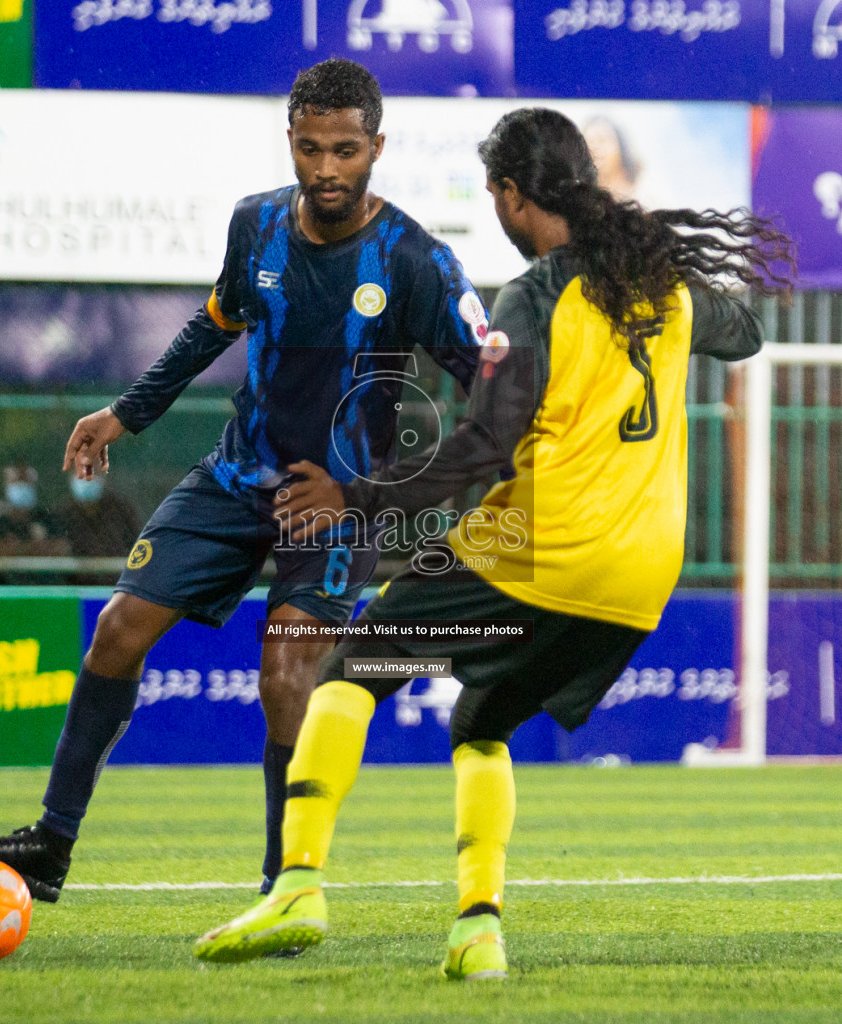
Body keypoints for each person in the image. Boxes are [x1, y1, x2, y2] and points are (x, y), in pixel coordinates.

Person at [194, 108, 793, 977]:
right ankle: (478, 929)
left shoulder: (540, 291)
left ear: (514, 196)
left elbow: (484, 445)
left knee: (351, 667)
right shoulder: (660, 287)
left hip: (547, 542)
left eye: (496, 198)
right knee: (482, 721)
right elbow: (746, 331)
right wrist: (660, 260)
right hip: (639, 577)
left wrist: (354, 496)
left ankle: (297, 882)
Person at [0, 59, 485, 905]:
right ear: (291, 142)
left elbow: (495, 395)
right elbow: (214, 326)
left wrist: (382, 497)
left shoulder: (418, 262)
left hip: (338, 503)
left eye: (346, 150)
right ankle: (51, 843)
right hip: (237, 477)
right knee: (119, 629)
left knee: (285, 677)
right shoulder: (257, 225)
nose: (327, 169)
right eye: (311, 149)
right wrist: (125, 413)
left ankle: (286, 883)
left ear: (377, 146)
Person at [0, 464, 68, 586]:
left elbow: (61, 549)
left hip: (44, 588)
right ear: (6, 486)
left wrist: (18, 549)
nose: (22, 487)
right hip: (6, 589)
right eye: (17, 482)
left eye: (26, 482)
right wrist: (37, 547)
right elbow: (1, 552)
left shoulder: (47, 518)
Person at [55, 471, 141, 587]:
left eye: (93, 468)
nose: (87, 476)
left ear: (104, 476)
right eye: (81, 468)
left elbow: (139, 546)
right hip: (74, 591)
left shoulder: (121, 509)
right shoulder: (62, 514)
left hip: (116, 588)